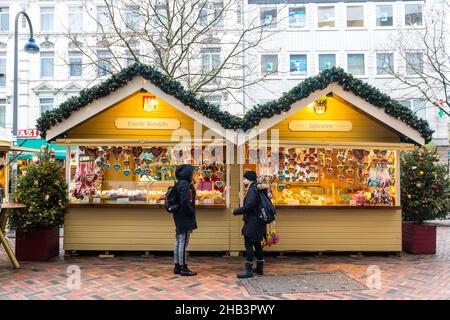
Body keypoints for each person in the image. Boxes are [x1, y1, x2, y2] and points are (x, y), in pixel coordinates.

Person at [233, 171, 269, 278]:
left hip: (253, 221)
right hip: (259, 221)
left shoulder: (252, 189)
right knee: (257, 244)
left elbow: (249, 206)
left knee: (248, 244)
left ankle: (248, 270)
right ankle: (259, 267)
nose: (243, 181)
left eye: (244, 179)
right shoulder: (258, 188)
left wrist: (236, 211)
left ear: (249, 180)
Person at [172, 164, 197, 276]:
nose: (193, 175)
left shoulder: (179, 183)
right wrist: (191, 212)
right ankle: (183, 267)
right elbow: (185, 201)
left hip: (178, 215)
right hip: (184, 216)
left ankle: (177, 265)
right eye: (192, 173)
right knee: (183, 241)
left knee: (178, 240)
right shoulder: (185, 184)